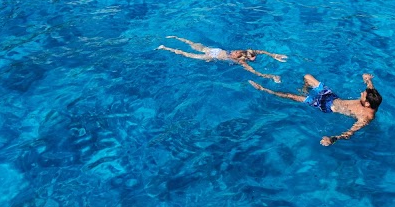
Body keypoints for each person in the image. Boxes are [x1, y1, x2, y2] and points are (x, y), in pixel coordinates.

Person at [249, 73, 382, 146]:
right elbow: (370, 87)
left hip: (325, 106)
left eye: (363, 95)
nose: (361, 94)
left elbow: (350, 133)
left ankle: (264, 90)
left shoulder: (366, 118)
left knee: (291, 96)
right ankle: (305, 90)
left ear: (367, 104)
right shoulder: (372, 97)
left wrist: (333, 139)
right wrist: (367, 79)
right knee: (307, 77)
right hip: (331, 96)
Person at [158, 36, 287, 83]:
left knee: (187, 54)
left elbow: (255, 72)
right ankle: (175, 38)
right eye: (237, 51)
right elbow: (261, 51)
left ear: (242, 58)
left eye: (237, 53)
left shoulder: (240, 61)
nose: (236, 51)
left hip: (210, 56)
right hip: (213, 50)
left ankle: (165, 48)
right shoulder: (243, 52)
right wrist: (274, 55)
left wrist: (271, 76)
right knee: (192, 43)